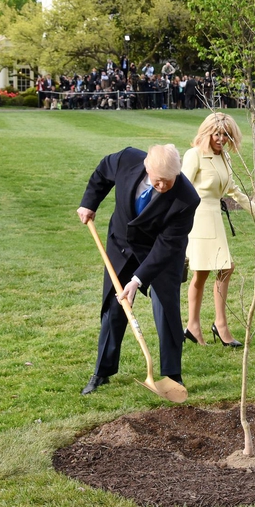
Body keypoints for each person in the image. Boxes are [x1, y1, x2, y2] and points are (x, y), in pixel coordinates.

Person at [76, 144, 200, 395]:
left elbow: (167, 246)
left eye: (169, 181)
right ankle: (103, 371)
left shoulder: (187, 198)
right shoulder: (126, 159)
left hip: (161, 251)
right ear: (147, 168)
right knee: (114, 306)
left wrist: (138, 280)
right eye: (158, 181)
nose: (164, 187)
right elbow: (102, 173)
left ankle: (172, 374)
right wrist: (89, 202)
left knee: (166, 307)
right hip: (122, 243)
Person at [182, 113, 255, 348]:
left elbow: (233, 189)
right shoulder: (194, 155)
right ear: (207, 132)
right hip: (198, 218)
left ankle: (196, 326)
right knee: (220, 268)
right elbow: (181, 189)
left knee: (206, 272)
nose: (221, 139)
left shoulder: (224, 157)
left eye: (226, 135)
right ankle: (216, 325)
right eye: (217, 134)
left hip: (214, 216)